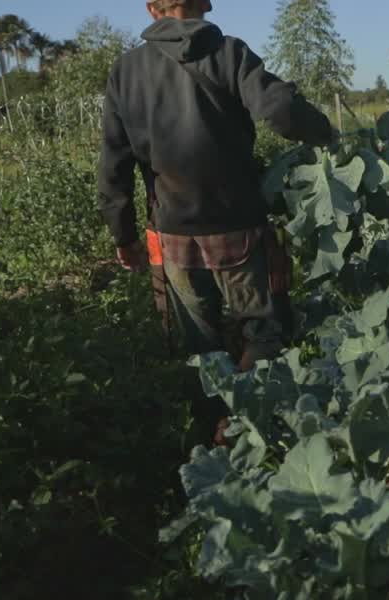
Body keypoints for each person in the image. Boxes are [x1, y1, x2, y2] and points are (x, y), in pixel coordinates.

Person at [97, 0, 334, 442]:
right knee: (263, 331)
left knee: (200, 348)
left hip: (171, 234)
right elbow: (280, 109)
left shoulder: (125, 71)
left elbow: (114, 162)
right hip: (237, 228)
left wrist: (122, 232)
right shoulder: (228, 53)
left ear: (152, 9)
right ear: (205, 4)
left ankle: (213, 436)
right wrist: (327, 135)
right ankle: (247, 429)